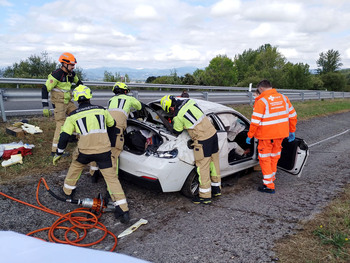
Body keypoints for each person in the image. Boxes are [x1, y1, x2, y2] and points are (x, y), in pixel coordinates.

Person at [52, 85, 130, 223]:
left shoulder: (72, 116)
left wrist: (58, 152)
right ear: (89, 96)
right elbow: (112, 125)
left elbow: (64, 136)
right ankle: (123, 210)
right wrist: (111, 144)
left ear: (76, 99)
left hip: (85, 152)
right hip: (104, 152)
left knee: (75, 167)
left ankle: (67, 191)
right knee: (112, 179)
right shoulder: (101, 110)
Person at [160, 95, 221, 204]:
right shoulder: (189, 102)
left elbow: (176, 131)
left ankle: (205, 197)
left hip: (202, 141)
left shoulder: (178, 117)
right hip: (213, 135)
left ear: (170, 108)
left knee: (202, 168)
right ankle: (216, 189)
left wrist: (171, 123)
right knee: (214, 163)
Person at [246, 79, 297, 194]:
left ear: (261, 89)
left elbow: (255, 122)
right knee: (274, 157)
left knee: (265, 159)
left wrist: (250, 135)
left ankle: (269, 185)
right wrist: (291, 130)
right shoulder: (284, 98)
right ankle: (271, 178)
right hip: (281, 135)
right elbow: (293, 116)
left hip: (266, 136)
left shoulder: (262, 101)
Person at [89, 82, 142, 181]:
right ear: (125, 91)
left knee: (99, 149)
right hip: (117, 129)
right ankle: (112, 182)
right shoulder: (129, 99)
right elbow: (139, 107)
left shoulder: (111, 100)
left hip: (104, 127)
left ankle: (94, 174)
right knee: (114, 153)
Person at [42, 52, 83, 156]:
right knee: (60, 124)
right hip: (59, 103)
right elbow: (45, 88)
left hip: (68, 102)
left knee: (77, 117)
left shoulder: (71, 74)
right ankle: (55, 150)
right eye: (72, 65)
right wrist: (45, 106)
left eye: (74, 65)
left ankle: (72, 137)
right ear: (64, 64)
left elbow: (80, 84)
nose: (74, 67)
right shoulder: (57, 75)